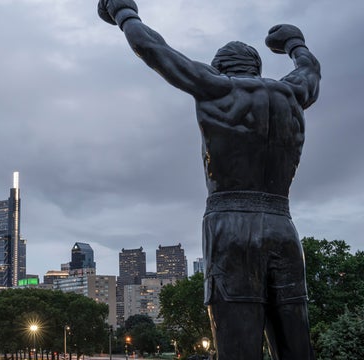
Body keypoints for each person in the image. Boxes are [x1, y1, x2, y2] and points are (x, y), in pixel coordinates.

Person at [97, 1, 321, 359]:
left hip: (230, 226)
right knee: (297, 347)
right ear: (256, 68)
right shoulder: (292, 94)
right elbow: (310, 70)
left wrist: (122, 12)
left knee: (238, 348)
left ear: (221, 69)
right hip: (282, 226)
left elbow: (155, 51)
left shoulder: (216, 88)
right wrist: (295, 43)